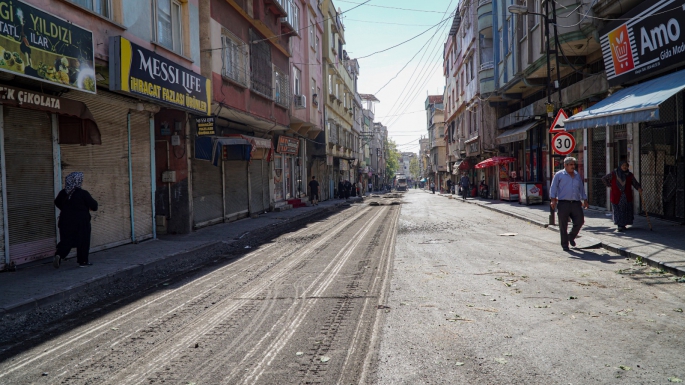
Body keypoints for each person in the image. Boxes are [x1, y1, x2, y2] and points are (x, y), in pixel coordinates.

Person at [53, 172, 98, 268]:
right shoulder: (82, 193)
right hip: (81, 222)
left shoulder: (62, 193)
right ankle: (83, 261)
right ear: (78, 181)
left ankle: (59, 254)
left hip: (64, 221)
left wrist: (66, 209)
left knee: (67, 240)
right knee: (83, 240)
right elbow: (94, 206)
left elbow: (56, 202)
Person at [550, 157, 589, 251]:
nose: (573, 166)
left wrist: (585, 199)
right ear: (565, 165)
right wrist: (553, 200)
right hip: (563, 203)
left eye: (574, 164)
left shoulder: (577, 175)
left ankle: (571, 236)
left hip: (575, 203)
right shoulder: (559, 175)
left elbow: (581, 188)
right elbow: (553, 188)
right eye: (571, 164)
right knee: (563, 225)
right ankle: (565, 244)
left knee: (580, 221)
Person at [602, 160, 642, 232]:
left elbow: (634, 183)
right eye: (623, 165)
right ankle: (620, 225)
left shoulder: (629, 175)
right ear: (620, 166)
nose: (624, 167)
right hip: (617, 195)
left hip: (626, 195)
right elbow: (604, 178)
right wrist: (609, 185)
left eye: (626, 166)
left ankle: (623, 224)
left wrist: (638, 188)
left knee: (626, 209)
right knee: (619, 210)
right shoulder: (614, 173)